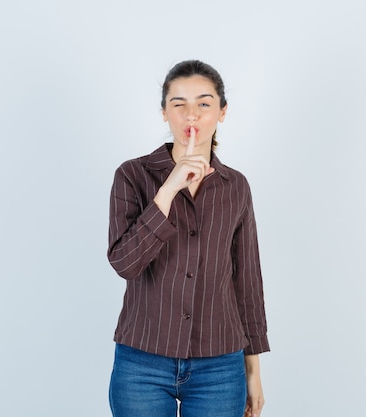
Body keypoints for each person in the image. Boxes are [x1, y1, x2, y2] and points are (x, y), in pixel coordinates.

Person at [107, 59, 270, 417]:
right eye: (178, 104)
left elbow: (247, 282)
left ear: (222, 112)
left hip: (220, 367)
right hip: (142, 363)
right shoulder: (133, 176)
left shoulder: (236, 186)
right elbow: (124, 263)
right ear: (164, 112)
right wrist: (167, 191)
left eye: (204, 103)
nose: (191, 115)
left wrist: (253, 372)